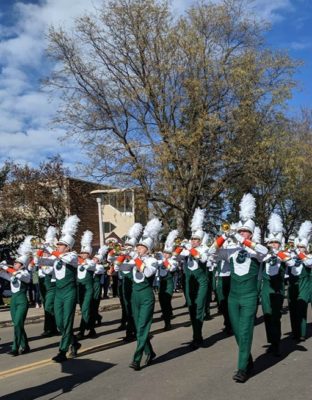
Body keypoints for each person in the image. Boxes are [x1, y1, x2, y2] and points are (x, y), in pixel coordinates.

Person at [210, 194, 268, 383]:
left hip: (250, 295)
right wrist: (224, 236)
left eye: (244, 231)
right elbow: (211, 252)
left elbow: (265, 252)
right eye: (240, 231)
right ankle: (247, 359)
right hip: (233, 297)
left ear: (250, 234)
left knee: (246, 331)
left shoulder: (254, 249)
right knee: (237, 331)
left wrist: (241, 240)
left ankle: (242, 369)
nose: (241, 233)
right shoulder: (231, 251)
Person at [129, 218, 162, 371]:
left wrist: (136, 260)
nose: (138, 248)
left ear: (147, 250)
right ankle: (150, 352)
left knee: (143, 327)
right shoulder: (135, 259)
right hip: (135, 295)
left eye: (141, 247)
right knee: (138, 328)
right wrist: (119, 257)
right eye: (138, 246)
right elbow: (118, 268)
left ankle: (137, 359)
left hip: (146, 295)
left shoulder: (152, 260)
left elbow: (148, 273)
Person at [49, 215, 80, 363]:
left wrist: (54, 253)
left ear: (67, 247)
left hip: (69, 292)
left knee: (67, 321)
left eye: (60, 245)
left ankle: (62, 351)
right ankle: (74, 341)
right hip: (58, 292)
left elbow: (67, 259)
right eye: (58, 245)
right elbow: (42, 263)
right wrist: (39, 254)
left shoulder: (73, 256)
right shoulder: (57, 257)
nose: (57, 247)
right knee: (59, 323)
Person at [178, 208, 209, 349]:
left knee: (199, 308)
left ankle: (198, 336)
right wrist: (178, 247)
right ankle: (196, 335)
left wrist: (189, 248)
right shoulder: (187, 249)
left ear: (201, 240)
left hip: (201, 283)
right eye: (192, 239)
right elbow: (175, 256)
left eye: (196, 239)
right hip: (189, 283)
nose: (193, 241)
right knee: (191, 308)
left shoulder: (204, 249)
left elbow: (201, 258)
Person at [261, 213, 288, 356]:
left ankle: (277, 343)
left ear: (280, 243)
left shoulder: (283, 255)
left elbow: (288, 260)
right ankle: (271, 341)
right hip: (265, 288)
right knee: (267, 315)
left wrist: (278, 251)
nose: (273, 245)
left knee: (275, 316)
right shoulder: (265, 256)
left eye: (275, 242)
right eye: (271, 243)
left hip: (277, 289)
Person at [0, 236, 32, 356]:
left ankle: (15, 347)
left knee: (18, 323)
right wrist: (2, 266)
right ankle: (25, 345)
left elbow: (18, 275)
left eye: (17, 263)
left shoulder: (25, 274)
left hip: (22, 301)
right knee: (17, 324)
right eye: (15, 262)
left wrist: (6, 267)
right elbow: (3, 274)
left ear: (22, 265)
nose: (15, 264)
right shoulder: (13, 274)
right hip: (13, 300)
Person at [286, 221, 312, 342]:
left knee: (301, 307)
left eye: (302, 247)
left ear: (306, 248)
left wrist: (298, 253)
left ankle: (301, 332)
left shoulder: (309, 257)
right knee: (292, 308)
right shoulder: (292, 256)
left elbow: (308, 263)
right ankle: (295, 332)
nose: (300, 249)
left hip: (304, 285)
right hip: (293, 284)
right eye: (298, 247)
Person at [157, 230, 179, 331]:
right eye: (164, 253)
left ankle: (168, 323)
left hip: (169, 284)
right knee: (162, 302)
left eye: (167, 253)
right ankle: (167, 315)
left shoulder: (173, 261)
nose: (165, 254)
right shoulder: (160, 260)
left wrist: (164, 260)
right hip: (161, 284)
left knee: (166, 302)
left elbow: (171, 268)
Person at [77, 230, 96, 339]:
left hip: (88, 289)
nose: (83, 255)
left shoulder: (91, 262)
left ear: (89, 254)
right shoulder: (78, 262)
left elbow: (89, 266)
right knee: (84, 310)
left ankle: (82, 331)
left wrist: (81, 261)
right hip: (80, 289)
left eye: (85, 253)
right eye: (82, 253)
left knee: (85, 309)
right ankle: (91, 328)